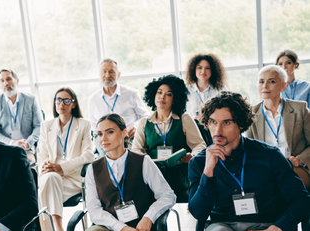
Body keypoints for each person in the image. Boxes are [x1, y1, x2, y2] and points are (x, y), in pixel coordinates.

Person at [188, 92, 310, 231]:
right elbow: (198, 211)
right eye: (212, 122)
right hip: (223, 230)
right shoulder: (200, 163)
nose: (217, 130)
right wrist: (208, 173)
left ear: (241, 125)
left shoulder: (269, 155)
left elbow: (302, 201)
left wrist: (276, 230)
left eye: (226, 122)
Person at [78, 113, 176, 231]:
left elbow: (168, 195)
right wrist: (122, 228)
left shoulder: (142, 161)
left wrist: (148, 217)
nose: (103, 139)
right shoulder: (93, 169)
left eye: (109, 132)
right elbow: (95, 211)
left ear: (124, 133)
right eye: (99, 134)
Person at [37, 88, 94, 231]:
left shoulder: (83, 125)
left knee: (42, 195)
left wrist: (61, 167)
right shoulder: (47, 126)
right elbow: (41, 155)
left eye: (66, 100)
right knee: (50, 178)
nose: (61, 103)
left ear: (73, 103)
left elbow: (88, 156)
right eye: (58, 100)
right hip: (51, 177)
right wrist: (47, 166)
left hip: (73, 179)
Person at [132, 75, 206, 203]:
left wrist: (192, 156)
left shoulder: (184, 119)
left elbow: (200, 145)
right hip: (153, 177)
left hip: (180, 177)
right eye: (159, 92)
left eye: (168, 94)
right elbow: (136, 150)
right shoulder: (144, 123)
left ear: (175, 98)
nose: (162, 97)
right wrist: (144, 159)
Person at [246, 65, 310, 188]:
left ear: (283, 86)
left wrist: (299, 159)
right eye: (261, 81)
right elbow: (249, 150)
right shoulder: (251, 114)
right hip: (266, 168)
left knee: (288, 184)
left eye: (272, 81)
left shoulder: (300, 109)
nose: (265, 86)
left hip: (296, 166)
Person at [88, 58, 149, 154]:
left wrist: (136, 126)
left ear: (118, 74)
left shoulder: (131, 94)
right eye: (104, 72)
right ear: (100, 75)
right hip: (106, 146)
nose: (107, 75)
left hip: (129, 141)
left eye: (111, 72)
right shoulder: (93, 99)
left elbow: (146, 117)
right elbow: (93, 128)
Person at [0, 68, 42, 162]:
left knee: (24, 163)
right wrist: (11, 143)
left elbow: (39, 126)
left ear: (17, 81)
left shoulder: (31, 99)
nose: (5, 83)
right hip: (6, 148)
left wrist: (28, 142)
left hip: (26, 149)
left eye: (8, 79)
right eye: (2, 81)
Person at [185, 53, 227, 118]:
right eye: (199, 68)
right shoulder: (186, 90)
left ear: (213, 70)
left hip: (215, 126)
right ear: (194, 70)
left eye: (207, 68)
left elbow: (226, 111)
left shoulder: (221, 89)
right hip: (192, 126)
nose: (203, 71)